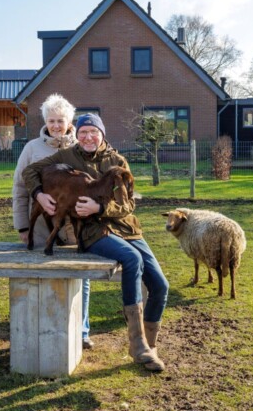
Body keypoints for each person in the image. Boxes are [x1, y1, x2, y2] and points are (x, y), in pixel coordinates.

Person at [23, 113, 168, 372]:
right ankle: (137, 345)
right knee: (131, 259)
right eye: (83, 132)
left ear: (102, 134)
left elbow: (129, 203)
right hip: (93, 232)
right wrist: (39, 194)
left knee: (160, 285)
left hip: (126, 228)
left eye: (93, 132)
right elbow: (30, 170)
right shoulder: (67, 156)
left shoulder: (118, 161)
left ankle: (150, 346)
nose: (88, 137)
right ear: (76, 134)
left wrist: (99, 207)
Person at [12, 94, 96, 349]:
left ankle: (81, 330)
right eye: (51, 120)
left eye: (61, 120)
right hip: (40, 229)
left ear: (69, 121)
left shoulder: (82, 148)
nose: (56, 125)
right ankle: (41, 333)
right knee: (40, 278)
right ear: (45, 121)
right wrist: (23, 226)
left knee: (80, 278)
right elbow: (18, 188)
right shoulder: (32, 149)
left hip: (75, 228)